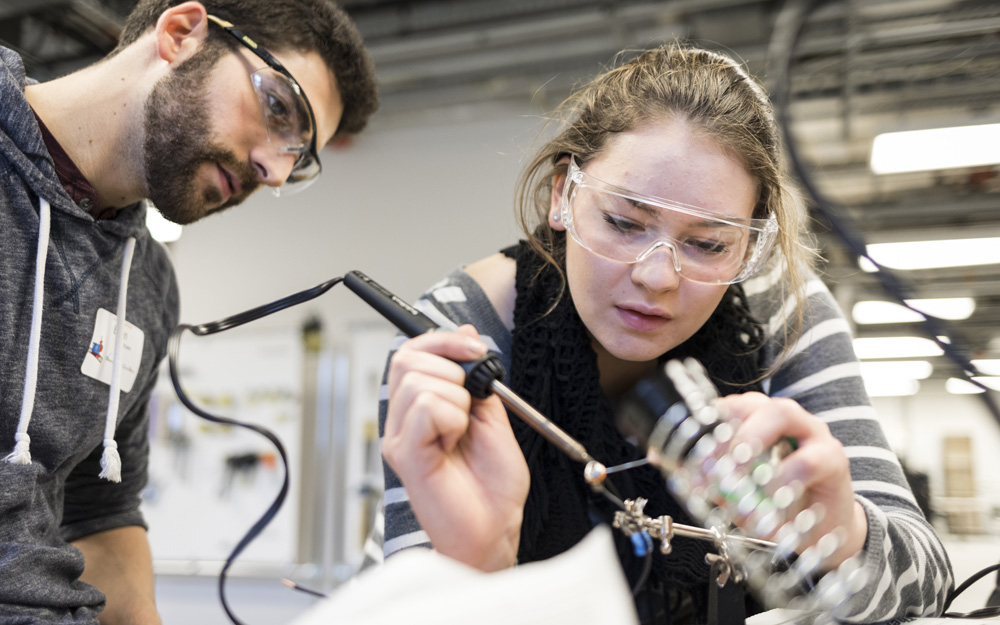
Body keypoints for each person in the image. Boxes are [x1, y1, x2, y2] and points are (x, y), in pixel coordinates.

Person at [376, 44, 953, 623]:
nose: (656, 277)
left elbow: (928, 584)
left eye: (708, 245)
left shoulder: (782, 311)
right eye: (624, 224)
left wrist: (844, 536)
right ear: (563, 196)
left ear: (750, 246)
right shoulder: (459, 331)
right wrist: (481, 560)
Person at [0, 1, 377, 623]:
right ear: (180, 34)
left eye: (299, 157)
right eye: (279, 108)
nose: (274, 171)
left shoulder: (147, 284)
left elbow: (100, 505)